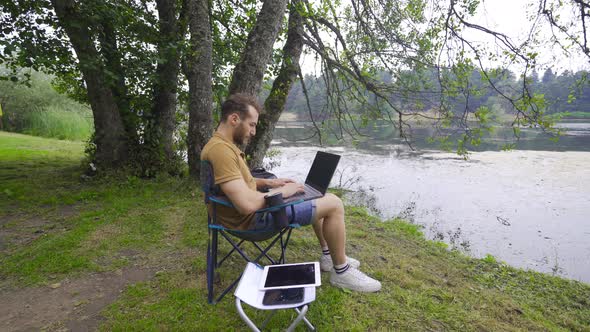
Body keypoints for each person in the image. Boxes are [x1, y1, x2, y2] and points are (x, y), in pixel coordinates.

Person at [201, 93, 381, 292]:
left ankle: (329, 257)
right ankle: (342, 272)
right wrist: (284, 192)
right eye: (251, 124)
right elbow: (246, 205)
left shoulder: (220, 145)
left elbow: (240, 182)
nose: (253, 131)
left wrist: (269, 182)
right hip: (255, 221)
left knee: (315, 196)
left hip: (235, 217)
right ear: (234, 119)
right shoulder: (222, 151)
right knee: (334, 203)